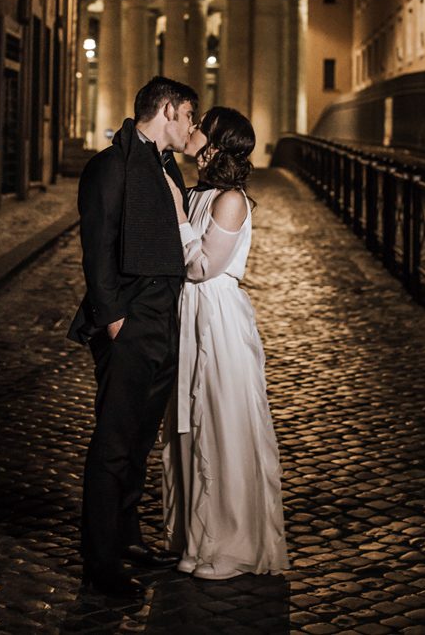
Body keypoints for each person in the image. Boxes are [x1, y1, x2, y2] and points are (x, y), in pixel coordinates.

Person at [67, 76, 198, 599]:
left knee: (141, 439)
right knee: (115, 440)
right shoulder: (109, 165)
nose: (190, 126)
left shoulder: (168, 167)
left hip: (164, 315)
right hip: (131, 318)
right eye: (188, 115)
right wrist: (114, 317)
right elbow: (96, 245)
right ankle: (99, 560)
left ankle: (127, 536)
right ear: (167, 110)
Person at [162, 106, 288, 580]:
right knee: (188, 426)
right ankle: (194, 539)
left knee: (219, 421)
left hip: (216, 317)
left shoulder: (231, 199)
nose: (190, 132)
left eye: (200, 128)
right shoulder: (201, 193)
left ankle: (230, 544)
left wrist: (174, 211)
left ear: (215, 145)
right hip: (190, 314)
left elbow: (201, 267)